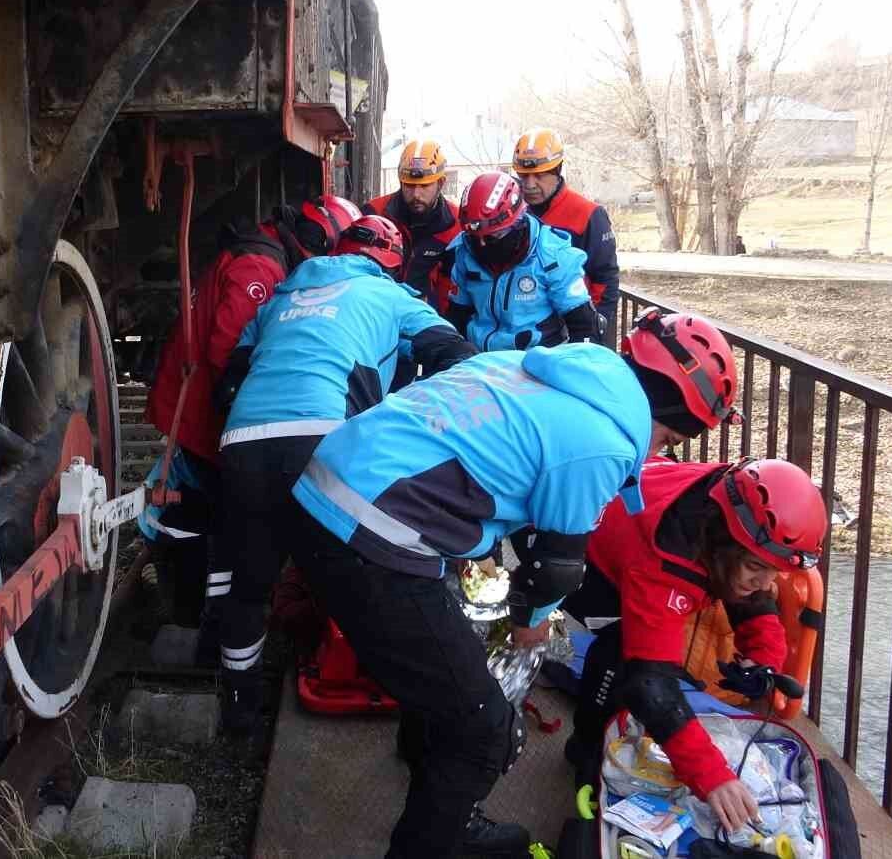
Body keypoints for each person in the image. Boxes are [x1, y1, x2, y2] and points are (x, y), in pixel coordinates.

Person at [286, 309, 740, 858]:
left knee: (446, 675)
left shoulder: (535, 369)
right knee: (482, 733)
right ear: (665, 409)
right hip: (371, 535)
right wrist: (531, 622)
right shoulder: (606, 439)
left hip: (325, 495)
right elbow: (556, 565)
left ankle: (444, 807)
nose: (657, 452)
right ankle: (435, 841)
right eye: (667, 436)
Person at [208, 214, 473, 732]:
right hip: (323, 434)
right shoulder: (391, 296)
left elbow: (231, 377)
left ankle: (240, 703)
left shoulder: (280, 297)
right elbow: (455, 354)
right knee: (355, 569)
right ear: (390, 266)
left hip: (242, 440)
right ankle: (369, 670)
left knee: (251, 580)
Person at [561, 455, 827, 835]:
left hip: (624, 504)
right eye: (756, 567)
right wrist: (712, 777)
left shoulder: (727, 514)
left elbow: (748, 591)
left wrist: (762, 661)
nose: (766, 581)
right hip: (584, 551)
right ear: (724, 543)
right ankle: (586, 748)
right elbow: (650, 684)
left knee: (646, 658)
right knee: (622, 653)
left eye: (776, 571)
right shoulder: (666, 559)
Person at [142, 196, 358, 629]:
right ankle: (202, 615)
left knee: (209, 502)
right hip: (203, 411)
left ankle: (199, 605)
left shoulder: (261, 250)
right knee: (221, 511)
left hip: (196, 404)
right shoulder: (261, 268)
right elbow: (230, 349)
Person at [445, 171, 603, 353]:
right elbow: (457, 315)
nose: (482, 245)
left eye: (492, 237)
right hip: (481, 360)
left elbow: (584, 326)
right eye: (474, 236)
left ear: (517, 223)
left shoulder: (553, 256)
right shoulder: (465, 251)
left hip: (536, 362)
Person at [513, 128, 622, 347]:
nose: (530, 184)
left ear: (558, 170)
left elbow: (605, 278)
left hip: (574, 331)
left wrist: (596, 328)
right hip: (524, 333)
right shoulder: (513, 212)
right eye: (523, 176)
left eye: (540, 176)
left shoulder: (588, 214)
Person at [363, 140, 463, 311]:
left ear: (441, 183)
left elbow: (454, 288)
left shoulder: (456, 224)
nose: (416, 194)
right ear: (400, 181)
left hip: (424, 315)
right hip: (375, 309)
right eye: (409, 185)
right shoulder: (373, 213)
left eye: (424, 186)